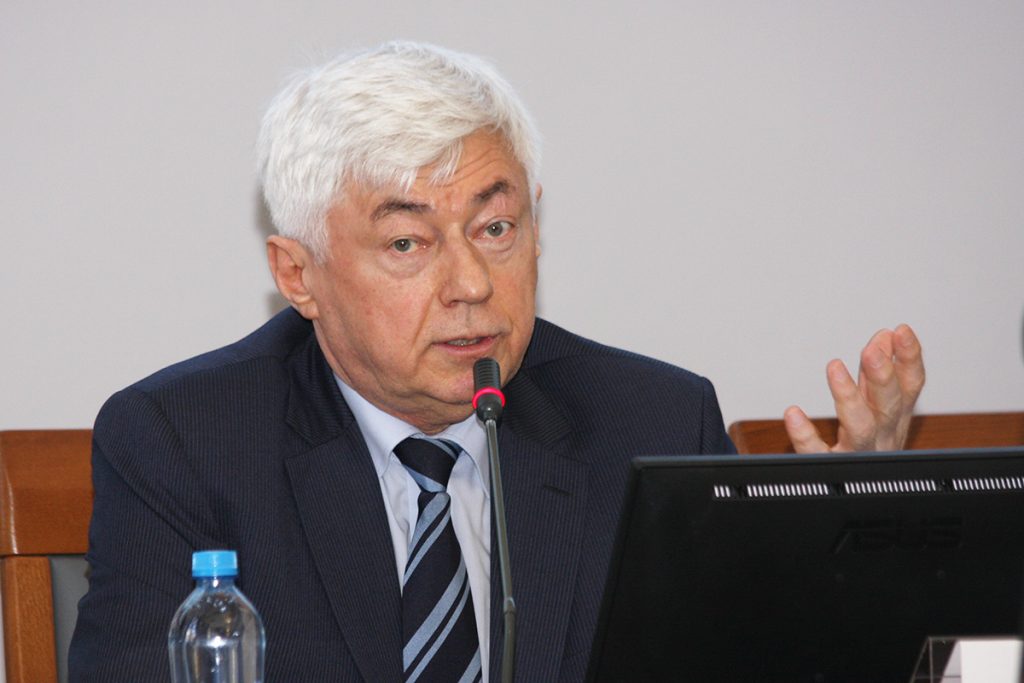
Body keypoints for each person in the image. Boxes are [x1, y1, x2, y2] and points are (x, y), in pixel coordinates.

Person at [69, 41, 925, 681]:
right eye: (407, 243)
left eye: (496, 227)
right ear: (299, 275)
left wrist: (840, 553)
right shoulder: (185, 442)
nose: (473, 283)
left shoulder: (652, 422)